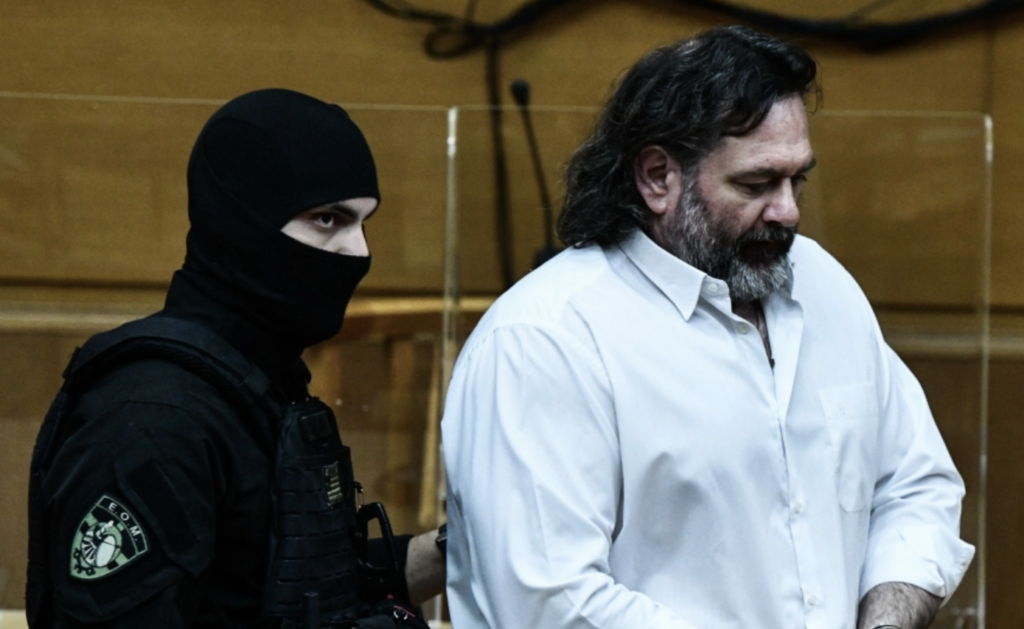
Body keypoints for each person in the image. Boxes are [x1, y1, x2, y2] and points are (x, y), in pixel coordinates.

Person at [442, 25, 974, 629]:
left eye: (797, 180)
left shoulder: (824, 283)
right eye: (756, 184)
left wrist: (885, 623)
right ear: (658, 177)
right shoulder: (543, 340)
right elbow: (550, 603)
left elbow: (914, 487)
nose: (788, 212)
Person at [27, 89, 445, 628]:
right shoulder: (154, 416)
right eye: (328, 219)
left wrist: (456, 547)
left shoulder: (253, 384)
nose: (359, 251)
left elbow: (292, 586)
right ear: (243, 223)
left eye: (363, 223)